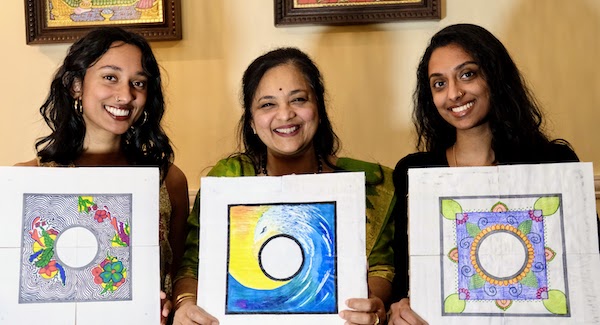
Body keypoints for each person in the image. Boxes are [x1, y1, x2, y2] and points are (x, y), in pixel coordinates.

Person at [172, 47, 396, 325]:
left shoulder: (372, 182)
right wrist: (185, 305)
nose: (285, 114)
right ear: (252, 121)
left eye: (298, 99)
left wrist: (369, 306)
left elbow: (381, 267)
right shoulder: (229, 178)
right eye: (267, 104)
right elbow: (193, 264)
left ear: (319, 108)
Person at [388, 23, 579, 325]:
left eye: (467, 74)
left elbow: (584, 271)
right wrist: (396, 310)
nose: (454, 93)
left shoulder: (552, 164)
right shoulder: (415, 171)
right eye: (439, 83)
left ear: (494, 76)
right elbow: (403, 278)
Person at [15, 26, 189, 325]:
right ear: (75, 85)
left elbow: (180, 274)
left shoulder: (167, 179)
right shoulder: (28, 180)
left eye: (139, 82)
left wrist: (172, 304)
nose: (125, 95)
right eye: (111, 77)